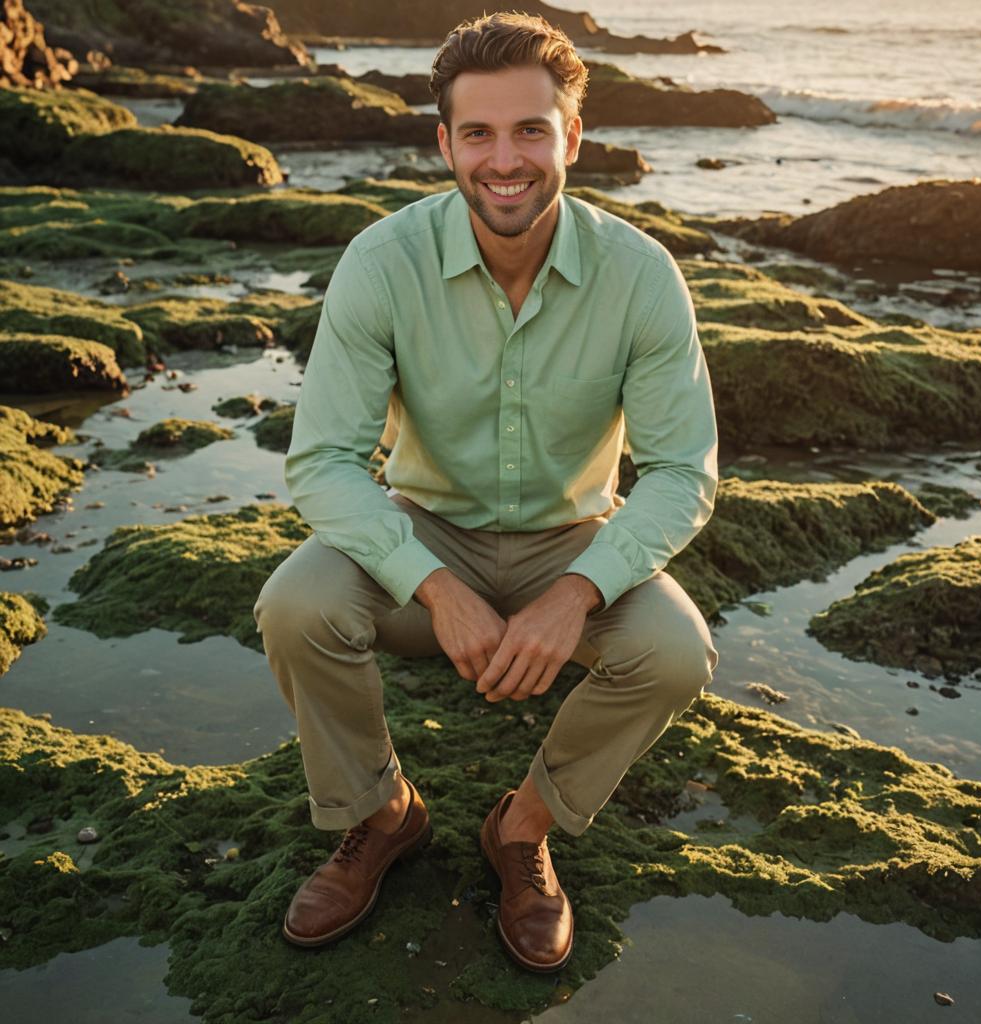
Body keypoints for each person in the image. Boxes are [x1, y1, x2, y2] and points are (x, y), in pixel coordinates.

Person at [254, 10, 719, 974]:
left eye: (529, 131)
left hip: (573, 541)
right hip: (424, 533)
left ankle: (522, 829)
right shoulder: (383, 263)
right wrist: (434, 585)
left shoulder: (641, 277)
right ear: (444, 142)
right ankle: (384, 816)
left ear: (572, 138)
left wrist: (579, 590)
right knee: (296, 606)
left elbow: (683, 474)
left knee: (676, 651)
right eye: (478, 133)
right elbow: (324, 461)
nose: (504, 160)